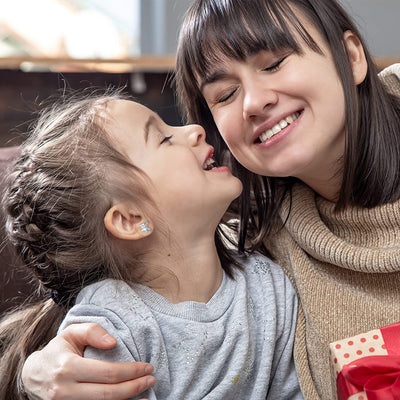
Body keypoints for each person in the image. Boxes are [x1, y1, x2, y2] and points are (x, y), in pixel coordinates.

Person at [16, 0, 400, 399]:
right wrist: (33, 372)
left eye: (274, 64)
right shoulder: (263, 243)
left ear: (352, 57)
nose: (253, 102)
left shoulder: (263, 278)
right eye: (226, 94)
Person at [0, 90, 302, 400]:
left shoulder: (269, 283)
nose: (194, 129)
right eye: (164, 139)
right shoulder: (110, 329)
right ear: (130, 220)